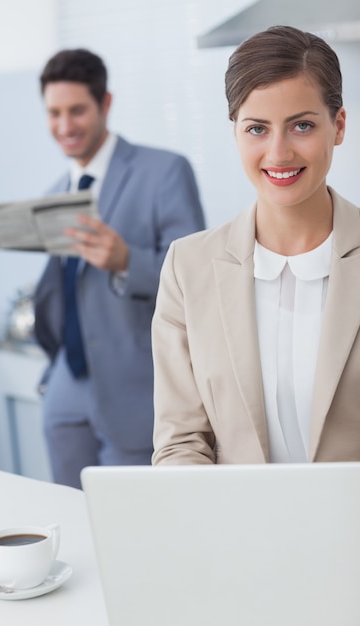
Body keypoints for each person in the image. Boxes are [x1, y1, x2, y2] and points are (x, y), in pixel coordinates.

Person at [152, 25, 360, 466]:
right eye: (257, 129)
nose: (278, 152)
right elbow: (181, 443)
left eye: (301, 125)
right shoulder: (188, 269)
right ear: (235, 132)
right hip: (236, 529)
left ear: (338, 126)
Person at [33, 48, 205, 488]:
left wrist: (127, 260)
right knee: (70, 515)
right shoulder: (55, 193)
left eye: (77, 110)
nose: (64, 126)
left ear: (105, 104)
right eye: (54, 113)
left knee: (137, 531)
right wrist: (53, 374)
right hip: (66, 386)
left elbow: (198, 278)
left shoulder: (164, 171)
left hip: (137, 388)